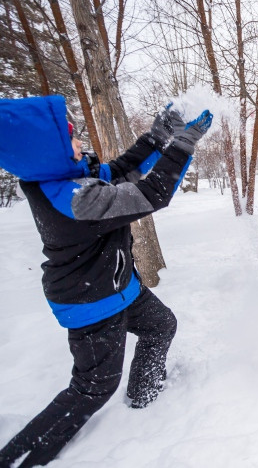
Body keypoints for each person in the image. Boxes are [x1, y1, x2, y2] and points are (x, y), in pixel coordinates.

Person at [0, 95, 212, 467]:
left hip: (120, 288)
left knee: (161, 326)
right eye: (70, 138)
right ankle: (19, 457)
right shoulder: (74, 200)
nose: (79, 141)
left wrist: (157, 137)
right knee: (92, 389)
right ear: (47, 151)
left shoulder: (64, 179)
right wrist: (182, 145)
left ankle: (143, 396)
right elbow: (150, 193)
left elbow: (119, 172)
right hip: (91, 304)